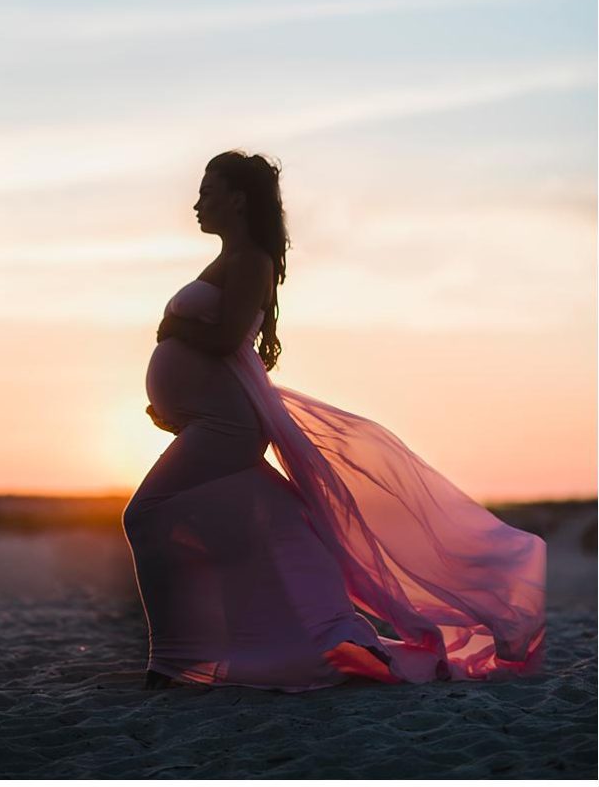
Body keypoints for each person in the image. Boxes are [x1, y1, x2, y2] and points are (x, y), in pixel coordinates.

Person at [122, 150, 545, 692]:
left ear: (237, 199)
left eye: (208, 190)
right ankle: (229, 654)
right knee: (254, 528)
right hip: (214, 421)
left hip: (225, 427)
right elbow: (225, 359)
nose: (197, 202)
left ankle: (173, 662)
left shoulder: (251, 259)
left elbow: (229, 341)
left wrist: (170, 332)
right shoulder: (230, 259)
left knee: (146, 514)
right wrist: (181, 405)